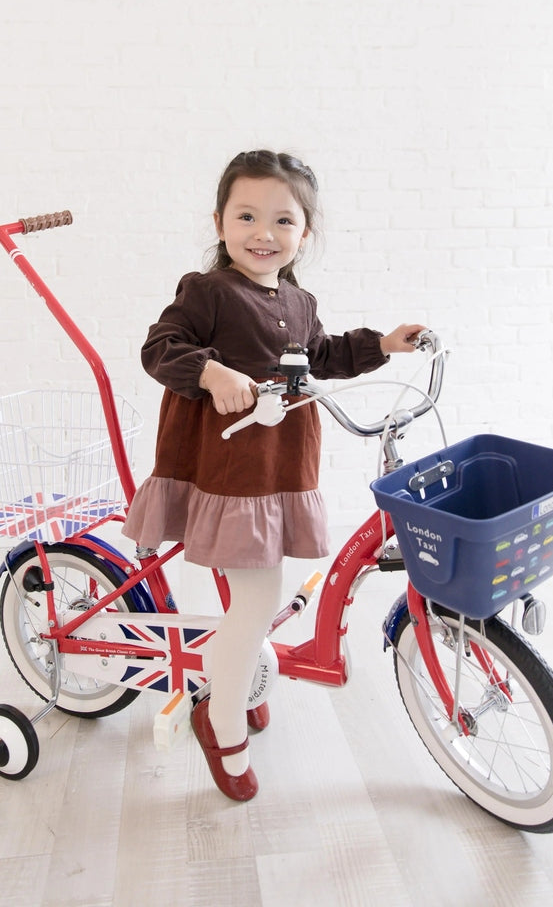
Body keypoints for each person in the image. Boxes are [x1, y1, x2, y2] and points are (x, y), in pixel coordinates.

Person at [122, 150, 428, 801]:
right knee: (259, 598)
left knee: (254, 596)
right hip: (229, 472)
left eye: (283, 220)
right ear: (220, 222)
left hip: (276, 467)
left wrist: (385, 344)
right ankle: (221, 719)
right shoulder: (207, 292)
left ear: (304, 234)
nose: (264, 233)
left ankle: (236, 676)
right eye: (247, 216)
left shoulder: (298, 298)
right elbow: (160, 348)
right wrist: (213, 372)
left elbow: (321, 355)